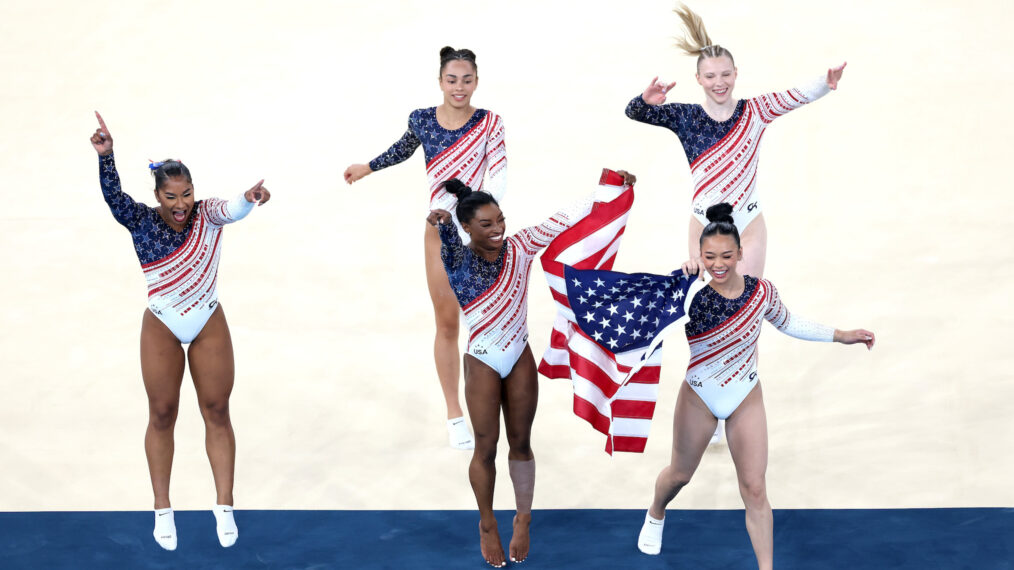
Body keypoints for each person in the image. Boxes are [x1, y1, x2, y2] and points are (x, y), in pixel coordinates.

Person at [625, 2, 845, 443]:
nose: (719, 83)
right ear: (699, 80)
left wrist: (825, 83)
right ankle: (708, 391)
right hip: (703, 225)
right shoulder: (687, 116)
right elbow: (636, 113)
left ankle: (738, 393)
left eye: (726, 75)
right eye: (710, 76)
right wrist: (644, 100)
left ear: (736, 74)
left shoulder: (755, 112)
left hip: (748, 226)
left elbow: (793, 96)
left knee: (746, 307)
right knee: (706, 307)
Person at [633, 203, 874, 569]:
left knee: (755, 488)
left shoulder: (761, 293)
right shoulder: (689, 291)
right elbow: (643, 313)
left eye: (727, 255)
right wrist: (682, 276)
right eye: (709, 256)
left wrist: (840, 335)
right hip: (699, 396)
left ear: (741, 253)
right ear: (698, 255)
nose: (718, 264)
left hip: (744, 394)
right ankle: (656, 511)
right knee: (679, 475)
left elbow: (790, 322)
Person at [427, 171, 635, 567]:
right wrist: (440, 220)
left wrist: (610, 186)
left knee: (520, 442)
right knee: (486, 447)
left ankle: (523, 517)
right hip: (484, 358)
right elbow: (445, 232)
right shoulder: (457, 255)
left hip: (518, 354)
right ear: (467, 227)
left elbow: (563, 217)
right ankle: (487, 523)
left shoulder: (520, 247)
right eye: (486, 225)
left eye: (501, 220)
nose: (498, 229)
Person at [90, 111, 270, 551]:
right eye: (171, 196)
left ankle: (224, 506)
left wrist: (249, 197)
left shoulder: (208, 214)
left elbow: (234, 207)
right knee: (162, 414)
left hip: (207, 318)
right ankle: (162, 508)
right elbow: (115, 200)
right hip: (163, 323)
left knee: (216, 409)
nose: (180, 203)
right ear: (157, 195)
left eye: (186, 194)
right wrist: (106, 157)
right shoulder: (142, 221)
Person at [344, 46, 507, 450]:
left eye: (466, 80)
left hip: (481, 232)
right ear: (440, 82)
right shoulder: (422, 120)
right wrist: (369, 166)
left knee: (488, 319)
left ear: (476, 82)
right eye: (452, 80)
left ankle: (490, 400)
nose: (459, 87)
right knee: (448, 322)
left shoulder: (490, 124)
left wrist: (475, 212)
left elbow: (499, 178)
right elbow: (404, 147)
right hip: (438, 230)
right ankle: (455, 414)